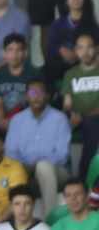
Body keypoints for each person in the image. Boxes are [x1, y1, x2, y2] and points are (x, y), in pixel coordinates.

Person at [6, 79, 72, 212]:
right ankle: (12, 218)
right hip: (25, 170)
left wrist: (37, 164)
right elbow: (10, 153)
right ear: (26, 96)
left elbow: (62, 155)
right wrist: (26, 165)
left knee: (43, 167)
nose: (36, 96)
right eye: (32, 92)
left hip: (56, 171)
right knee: (12, 169)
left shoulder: (59, 119)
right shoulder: (17, 120)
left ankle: (50, 219)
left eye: (40, 92)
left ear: (47, 96)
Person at [46, 0, 99, 92]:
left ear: (84, 0)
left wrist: (80, 54)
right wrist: (60, 50)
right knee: (43, 73)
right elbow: (50, 47)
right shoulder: (57, 24)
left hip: (83, 64)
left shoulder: (91, 25)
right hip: (60, 64)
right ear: (66, 0)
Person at [0, 33, 40, 129]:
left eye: (18, 50)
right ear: (4, 53)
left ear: (25, 53)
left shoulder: (34, 74)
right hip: (2, 120)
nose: (14, 55)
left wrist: (15, 121)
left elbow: (33, 100)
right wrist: (2, 121)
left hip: (26, 120)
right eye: (10, 50)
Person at [64, 31, 99, 179]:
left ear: (96, 49)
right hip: (79, 118)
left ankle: (83, 177)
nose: (85, 51)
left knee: (92, 124)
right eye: (81, 47)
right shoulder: (71, 74)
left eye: (89, 47)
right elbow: (67, 103)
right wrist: (72, 113)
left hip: (95, 118)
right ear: (76, 51)